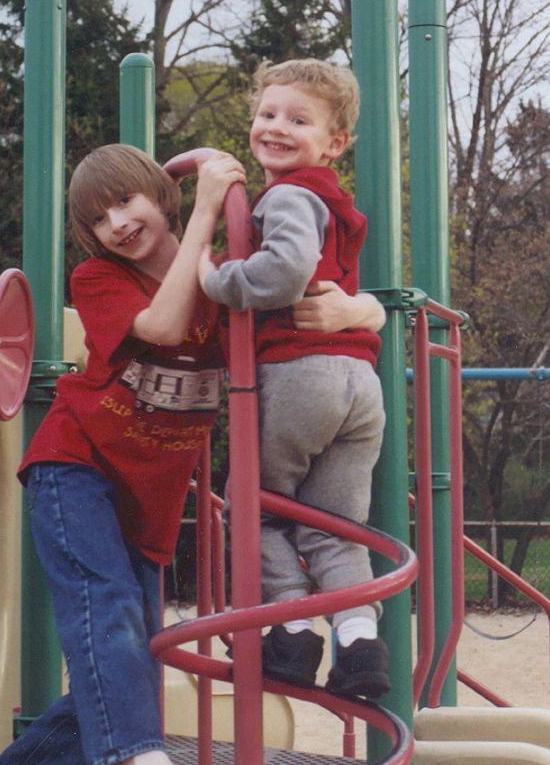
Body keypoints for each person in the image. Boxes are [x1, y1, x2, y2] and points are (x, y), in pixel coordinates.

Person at [0, 143, 246, 765]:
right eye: (99, 219)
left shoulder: (227, 281)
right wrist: (206, 210)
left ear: (160, 193)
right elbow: (162, 326)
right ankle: (139, 757)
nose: (117, 224)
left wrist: (360, 308)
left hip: (147, 498)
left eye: (126, 201)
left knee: (132, 661)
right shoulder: (99, 279)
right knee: (109, 611)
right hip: (74, 466)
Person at [199, 58, 390, 699]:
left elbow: (283, 272)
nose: (277, 127)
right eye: (268, 114)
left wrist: (218, 279)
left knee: (252, 505)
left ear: (335, 143)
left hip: (299, 374)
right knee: (333, 527)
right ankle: (359, 643)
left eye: (299, 120)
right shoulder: (335, 202)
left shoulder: (287, 195)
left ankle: (293, 632)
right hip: (359, 383)